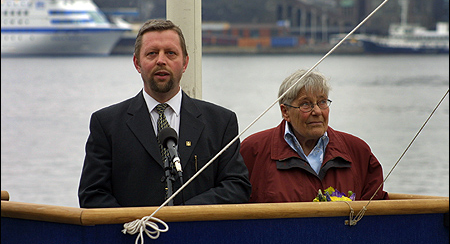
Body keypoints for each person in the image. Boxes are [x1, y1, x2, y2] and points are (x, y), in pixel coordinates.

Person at [78, 19, 251, 208]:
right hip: (135, 236)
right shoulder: (106, 124)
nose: (161, 60)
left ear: (185, 63)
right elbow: (92, 194)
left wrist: (183, 215)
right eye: (152, 54)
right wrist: (140, 224)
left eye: (171, 53)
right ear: (137, 63)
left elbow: (237, 187)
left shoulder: (221, 122)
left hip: (197, 234)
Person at [240, 69, 389, 203]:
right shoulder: (254, 150)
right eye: (306, 104)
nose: (317, 111)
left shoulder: (357, 151)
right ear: (285, 112)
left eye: (322, 102)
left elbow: (376, 217)